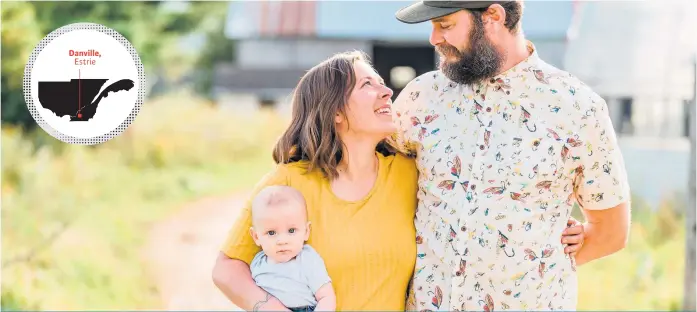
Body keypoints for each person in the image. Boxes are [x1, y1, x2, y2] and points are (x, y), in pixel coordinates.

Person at [212, 51, 586, 311]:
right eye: (366, 86)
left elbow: (476, 200)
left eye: (380, 83)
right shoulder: (290, 182)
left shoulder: (409, 173)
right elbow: (227, 268)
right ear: (336, 113)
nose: (387, 91)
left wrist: (556, 225)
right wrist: (271, 308)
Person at [392, 1, 632, 311]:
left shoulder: (578, 108)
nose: (434, 38)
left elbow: (611, 231)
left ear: (493, 16)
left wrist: (539, 264)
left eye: (445, 25)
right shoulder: (421, 97)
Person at [247, 185, 335, 312]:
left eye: (291, 231)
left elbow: (326, 297)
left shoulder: (307, 259)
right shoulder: (258, 263)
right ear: (256, 236)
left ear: (306, 231)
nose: (282, 241)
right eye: (271, 233)